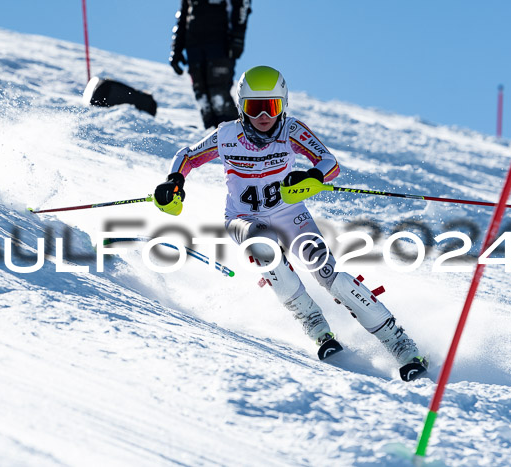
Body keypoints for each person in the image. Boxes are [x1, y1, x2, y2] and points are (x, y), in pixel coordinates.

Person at [153, 66, 428, 381]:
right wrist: (174, 181)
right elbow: (187, 156)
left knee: (328, 275)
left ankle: (401, 345)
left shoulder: (292, 131)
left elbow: (329, 162)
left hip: (290, 216)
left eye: (271, 106)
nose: (263, 116)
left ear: (283, 104)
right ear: (241, 107)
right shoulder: (227, 135)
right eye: (254, 108)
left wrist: (313, 177)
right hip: (243, 218)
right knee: (264, 248)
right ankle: (315, 325)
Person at [169, 0, 251, 129]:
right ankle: (212, 138)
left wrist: (238, 38)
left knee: (218, 94)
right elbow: (184, 14)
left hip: (220, 43)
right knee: (202, 97)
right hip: (194, 46)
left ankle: (235, 137)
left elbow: (242, 6)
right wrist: (176, 49)